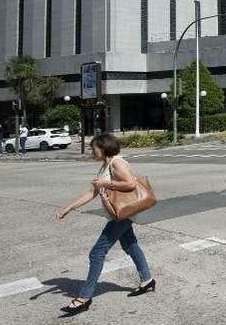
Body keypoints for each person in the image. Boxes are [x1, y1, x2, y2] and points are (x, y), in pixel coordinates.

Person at [56, 134, 154, 315]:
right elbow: (91, 192)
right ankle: (147, 280)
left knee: (97, 252)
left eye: (94, 148)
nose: (92, 151)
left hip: (122, 215)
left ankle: (84, 297)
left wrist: (106, 183)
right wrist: (68, 208)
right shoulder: (105, 165)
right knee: (130, 245)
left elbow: (130, 184)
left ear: (104, 147)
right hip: (120, 214)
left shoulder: (117, 163)